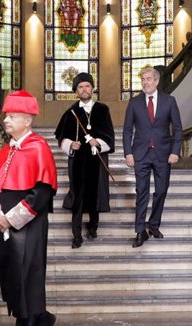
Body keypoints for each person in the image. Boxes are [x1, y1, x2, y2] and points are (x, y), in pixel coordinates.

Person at [0, 90, 58, 326]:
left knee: (26, 280)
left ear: (27, 119)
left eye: (11, 116)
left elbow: (40, 194)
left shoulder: (39, 148)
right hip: (5, 224)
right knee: (12, 275)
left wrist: (10, 220)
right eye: (6, 116)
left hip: (30, 225)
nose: (6, 120)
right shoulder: (6, 150)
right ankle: (43, 318)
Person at [122, 65, 183, 248]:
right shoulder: (134, 103)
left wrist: (175, 151)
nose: (145, 82)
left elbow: (178, 129)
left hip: (163, 154)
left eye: (148, 79)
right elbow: (126, 131)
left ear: (156, 81)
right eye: (143, 79)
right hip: (140, 154)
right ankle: (140, 231)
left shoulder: (169, 101)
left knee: (161, 191)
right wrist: (128, 153)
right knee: (142, 192)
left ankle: (154, 224)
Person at [54, 72, 114, 248]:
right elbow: (61, 137)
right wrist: (70, 144)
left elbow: (109, 136)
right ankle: (76, 235)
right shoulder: (71, 112)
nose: (84, 89)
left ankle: (93, 226)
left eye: (87, 86)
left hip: (97, 159)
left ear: (93, 89)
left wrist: (99, 142)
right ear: (76, 92)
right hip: (78, 161)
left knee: (96, 194)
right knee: (78, 196)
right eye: (80, 87)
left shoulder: (103, 109)